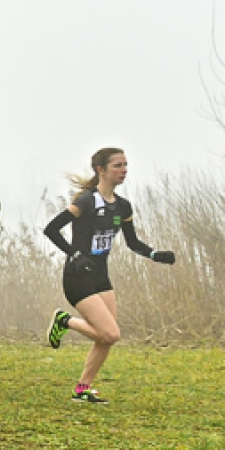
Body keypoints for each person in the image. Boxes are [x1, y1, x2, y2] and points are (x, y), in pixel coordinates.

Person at [44, 148, 175, 403]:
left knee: (106, 338)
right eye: (117, 165)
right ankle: (64, 321)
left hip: (101, 277)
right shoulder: (86, 202)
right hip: (77, 277)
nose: (124, 170)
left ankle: (82, 389)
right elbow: (51, 229)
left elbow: (133, 242)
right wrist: (74, 254)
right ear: (101, 170)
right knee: (111, 334)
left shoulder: (123, 206)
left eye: (126, 165)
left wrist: (156, 255)